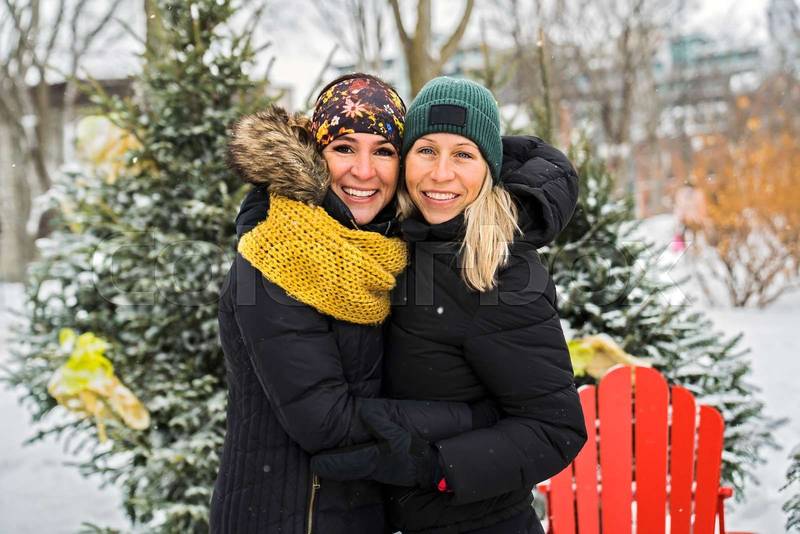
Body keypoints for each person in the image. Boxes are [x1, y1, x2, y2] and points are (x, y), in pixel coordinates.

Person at [211, 74, 499, 534]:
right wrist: (478, 417)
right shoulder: (277, 254)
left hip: (361, 512)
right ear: (315, 155)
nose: (363, 171)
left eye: (383, 151)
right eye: (344, 148)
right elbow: (325, 421)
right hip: (289, 517)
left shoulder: (389, 247)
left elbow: (490, 172)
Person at [311, 77, 587, 534]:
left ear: (488, 168)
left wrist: (437, 466)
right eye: (426, 150)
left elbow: (555, 429)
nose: (441, 174)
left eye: (463, 155)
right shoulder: (398, 240)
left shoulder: (501, 273)